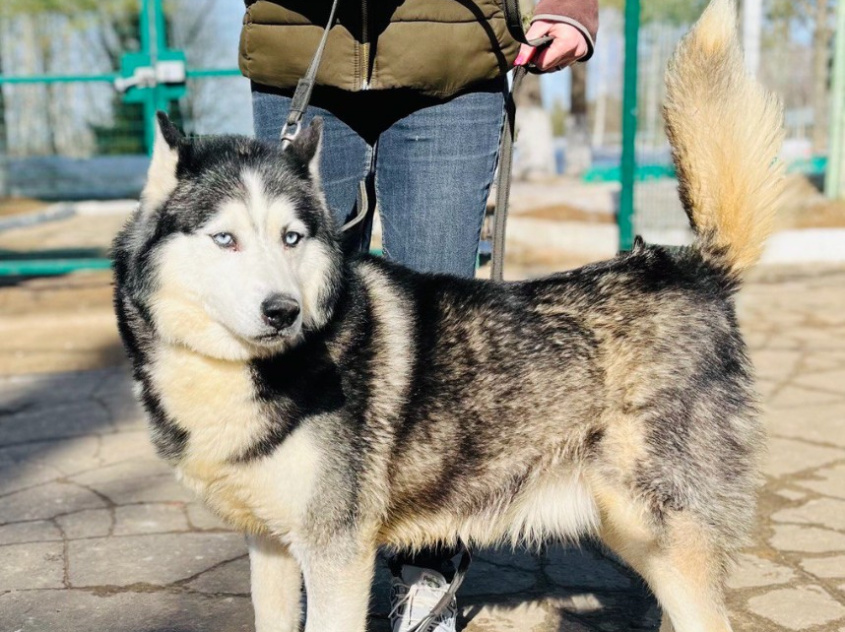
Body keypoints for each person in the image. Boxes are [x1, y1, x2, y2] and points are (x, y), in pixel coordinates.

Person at [239, 1, 598, 630]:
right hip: (300, 45)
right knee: (290, 334)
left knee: (442, 355)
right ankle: (292, 581)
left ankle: (427, 582)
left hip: (454, 57)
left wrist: (568, 7)